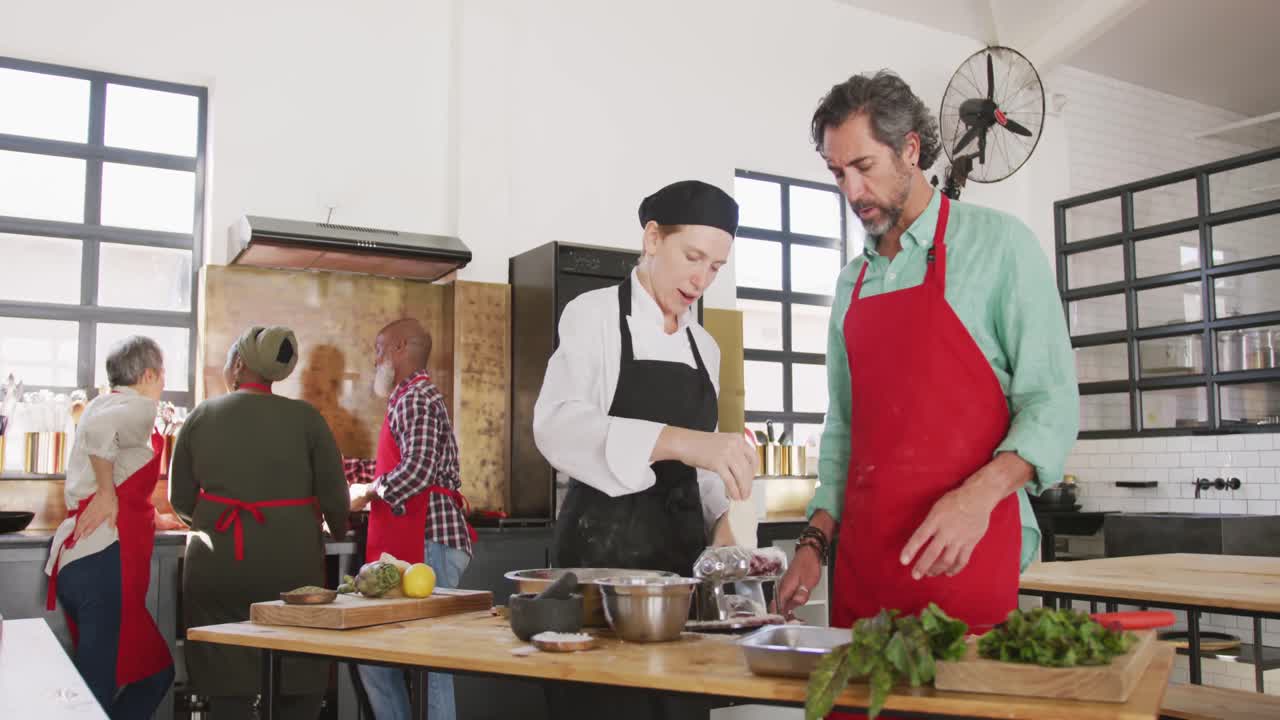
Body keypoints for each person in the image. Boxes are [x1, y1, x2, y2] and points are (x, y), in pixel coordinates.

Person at [775, 70, 1078, 667]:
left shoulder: (1000, 246)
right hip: (864, 572)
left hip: (963, 557)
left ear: (911, 149)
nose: (853, 190)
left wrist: (976, 498)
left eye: (865, 166)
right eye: (838, 173)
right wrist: (814, 541)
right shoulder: (850, 285)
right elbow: (844, 429)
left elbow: (1052, 403)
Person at [533, 179, 756, 719]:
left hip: (679, 580)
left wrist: (727, 528)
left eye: (716, 268)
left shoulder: (704, 346)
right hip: (601, 567)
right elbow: (558, 424)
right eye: (693, 257)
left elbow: (705, 466)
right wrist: (680, 441)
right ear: (653, 239)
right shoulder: (594, 315)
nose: (701, 279)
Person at [169, 326, 348, 720]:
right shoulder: (307, 418)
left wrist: (210, 520)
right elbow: (337, 498)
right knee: (297, 654)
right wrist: (338, 531)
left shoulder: (201, 416)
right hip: (291, 565)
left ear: (238, 364)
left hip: (218, 564)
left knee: (225, 661)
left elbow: (179, 499)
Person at [343, 318, 472, 720]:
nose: (375, 358)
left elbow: (416, 471)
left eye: (379, 349)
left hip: (429, 540)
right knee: (376, 656)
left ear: (400, 348)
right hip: (415, 541)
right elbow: (406, 463)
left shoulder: (417, 397)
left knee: (429, 663)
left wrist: (367, 491)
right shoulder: (406, 398)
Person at [45, 336, 174, 720]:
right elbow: (103, 436)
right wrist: (106, 492)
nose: (162, 383)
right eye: (162, 374)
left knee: (150, 672)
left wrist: (151, 513)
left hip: (82, 561)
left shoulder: (106, 401)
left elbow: (124, 472)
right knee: (99, 690)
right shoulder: (137, 405)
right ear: (149, 374)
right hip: (102, 564)